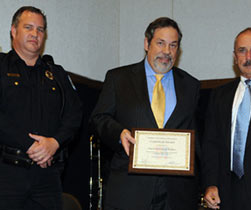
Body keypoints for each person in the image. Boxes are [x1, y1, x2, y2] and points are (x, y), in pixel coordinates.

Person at [90, 17, 200, 210]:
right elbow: (99, 118)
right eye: (160, 43)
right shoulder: (118, 78)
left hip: (177, 194)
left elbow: (197, 138)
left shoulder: (191, 85)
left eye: (173, 45)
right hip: (130, 190)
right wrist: (119, 133)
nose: (167, 51)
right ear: (146, 44)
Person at [0, 6, 82, 210]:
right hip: (6, 174)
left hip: (47, 175)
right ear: (13, 30)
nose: (35, 34)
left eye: (40, 29)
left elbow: (75, 114)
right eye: (28, 27)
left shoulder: (56, 73)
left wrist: (54, 142)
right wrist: (29, 145)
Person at [202, 27, 251, 210]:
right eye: (242, 50)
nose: (248, 56)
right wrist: (210, 184)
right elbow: (210, 144)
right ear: (235, 56)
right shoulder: (219, 96)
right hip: (226, 197)